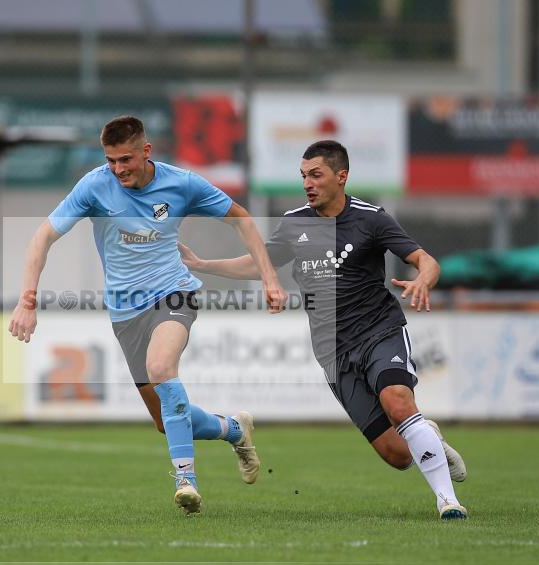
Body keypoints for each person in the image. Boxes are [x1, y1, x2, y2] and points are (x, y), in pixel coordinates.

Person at [8, 115, 285, 515]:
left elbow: (240, 218)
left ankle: (185, 480)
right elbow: (43, 237)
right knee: (165, 419)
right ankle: (234, 430)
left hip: (174, 294)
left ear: (146, 151)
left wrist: (269, 278)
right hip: (124, 312)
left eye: (125, 159)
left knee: (161, 367)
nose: (118, 169)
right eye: (111, 160)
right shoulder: (94, 186)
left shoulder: (181, 183)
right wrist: (27, 301)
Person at [179, 140, 469, 520]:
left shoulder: (372, 218)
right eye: (303, 176)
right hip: (333, 352)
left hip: (379, 331)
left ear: (341, 176)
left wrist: (423, 280)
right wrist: (202, 263)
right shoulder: (295, 222)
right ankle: (426, 435)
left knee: (397, 399)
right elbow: (258, 263)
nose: (307, 183)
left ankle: (447, 501)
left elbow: (425, 260)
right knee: (397, 456)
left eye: (316, 174)